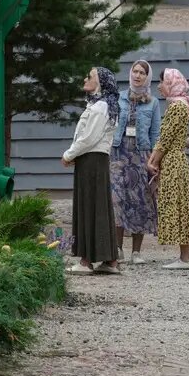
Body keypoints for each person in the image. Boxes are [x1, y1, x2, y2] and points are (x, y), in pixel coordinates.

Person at [62, 66, 122, 275]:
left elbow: (89, 138)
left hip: (91, 161)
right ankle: (110, 259)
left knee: (89, 206)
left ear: (100, 83)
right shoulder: (100, 105)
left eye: (90, 76)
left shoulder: (100, 107)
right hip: (95, 160)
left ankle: (87, 260)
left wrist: (69, 154)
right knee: (99, 207)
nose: (85, 78)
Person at [110, 59, 161, 264]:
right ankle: (118, 248)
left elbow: (155, 132)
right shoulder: (119, 97)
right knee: (117, 200)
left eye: (142, 73)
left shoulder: (153, 102)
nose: (137, 75)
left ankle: (136, 252)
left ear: (147, 77)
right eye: (135, 71)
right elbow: (111, 123)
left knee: (140, 200)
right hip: (118, 153)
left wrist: (155, 159)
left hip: (141, 155)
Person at [147, 69, 189, 270]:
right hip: (176, 159)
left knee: (178, 208)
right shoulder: (183, 104)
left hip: (173, 161)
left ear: (171, 82)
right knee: (181, 207)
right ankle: (185, 256)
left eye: (162, 82)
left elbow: (165, 139)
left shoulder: (176, 107)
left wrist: (153, 161)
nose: (159, 86)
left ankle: (185, 257)